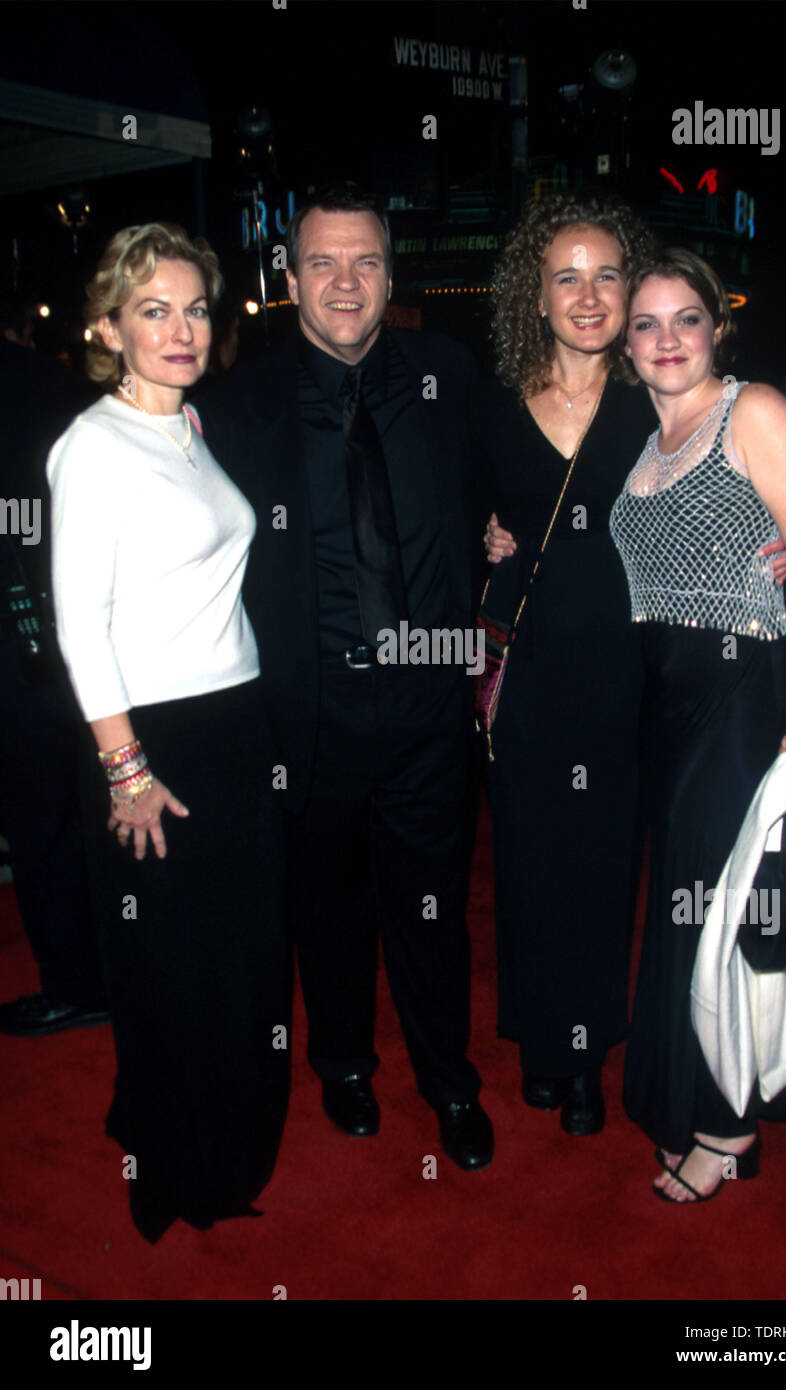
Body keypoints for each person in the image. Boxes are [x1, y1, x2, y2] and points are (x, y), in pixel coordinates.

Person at [480, 194, 786, 1136]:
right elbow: (450, 519)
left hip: (630, 670)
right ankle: (539, 1041)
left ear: (630, 292)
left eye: (606, 274)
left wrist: (769, 534)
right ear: (533, 296)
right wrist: (481, 544)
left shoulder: (651, 395)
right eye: (564, 276)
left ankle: (584, 1061)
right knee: (528, 861)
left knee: (608, 867)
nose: (587, 294)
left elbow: (728, 471)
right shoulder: (489, 411)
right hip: (529, 669)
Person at [197, 187, 493, 1171]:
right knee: (326, 905)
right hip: (304, 707)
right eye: (322, 263)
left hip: (426, 696)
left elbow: (536, 486)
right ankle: (344, 1065)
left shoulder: (452, 379)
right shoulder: (235, 409)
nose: (345, 282)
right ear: (288, 280)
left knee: (431, 908)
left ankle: (450, 1081)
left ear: (392, 277)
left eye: (364, 261)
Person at [46, 223, 290, 1241]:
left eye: (196, 307)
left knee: (237, 954)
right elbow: (78, 625)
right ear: (110, 325)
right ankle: (183, 1162)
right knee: (174, 964)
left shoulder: (188, 426)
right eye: (155, 309)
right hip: (155, 739)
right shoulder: (93, 446)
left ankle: (205, 1119)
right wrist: (127, 769)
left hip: (235, 722)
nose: (183, 328)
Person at [609, 248, 786, 1201]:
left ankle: (725, 1124)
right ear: (626, 345)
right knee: (684, 904)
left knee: (719, 916)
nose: (667, 339)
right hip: (665, 707)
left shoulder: (754, 413)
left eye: (685, 320)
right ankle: (701, 1099)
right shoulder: (644, 434)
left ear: (717, 327)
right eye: (646, 324)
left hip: (742, 699)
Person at [0, 312, 107, 1037]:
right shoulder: (62, 389)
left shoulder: (33, 391)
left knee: (43, 823)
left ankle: (75, 981)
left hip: (28, 646)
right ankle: (101, 968)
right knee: (77, 818)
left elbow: (23, 521)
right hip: (79, 638)